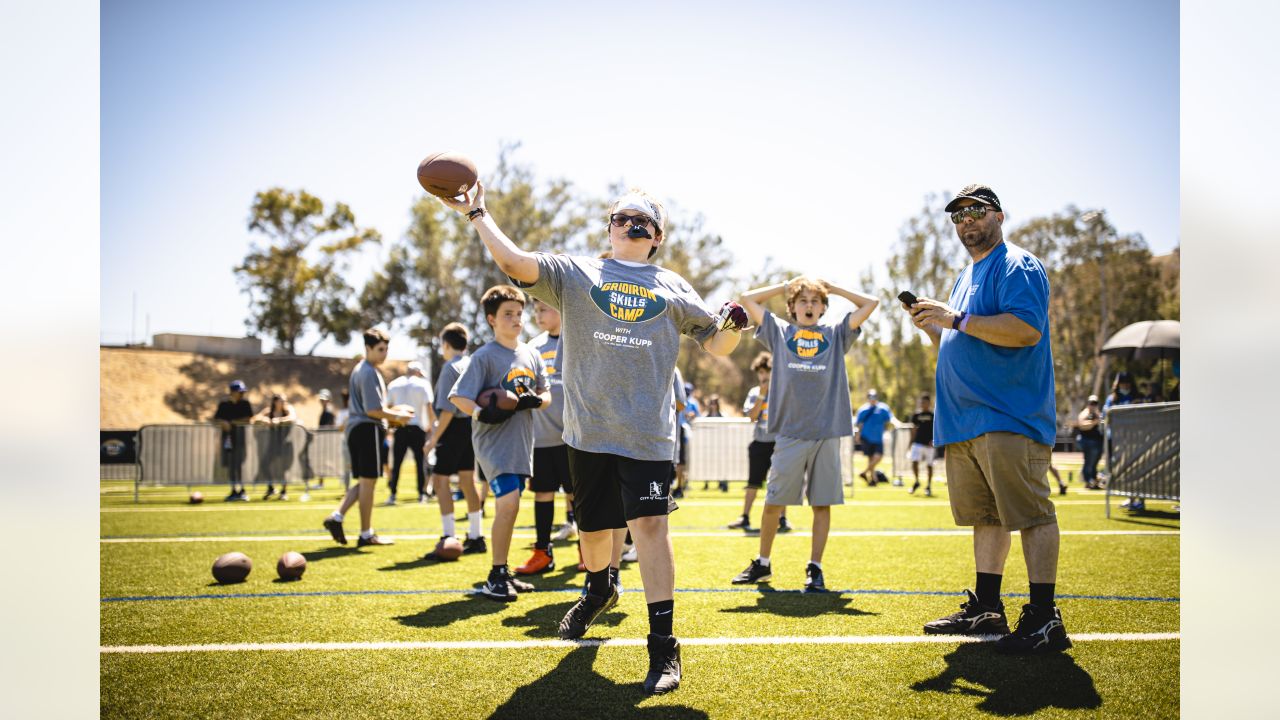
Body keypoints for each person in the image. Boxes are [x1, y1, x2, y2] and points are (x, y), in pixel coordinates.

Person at [442, 184, 746, 695]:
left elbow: (717, 345)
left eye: (644, 221)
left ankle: (663, 642)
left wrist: (735, 326)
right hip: (585, 433)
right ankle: (599, 586)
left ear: (657, 237)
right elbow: (515, 263)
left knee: (649, 528)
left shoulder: (673, 285)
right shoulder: (575, 273)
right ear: (609, 228)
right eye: (623, 217)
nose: (633, 225)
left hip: (648, 435)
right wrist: (477, 212)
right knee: (594, 532)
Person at [905, 183, 1070, 654]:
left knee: (1032, 515)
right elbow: (962, 341)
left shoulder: (1017, 264)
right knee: (987, 517)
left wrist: (954, 319)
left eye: (976, 212)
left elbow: (1024, 329)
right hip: (965, 422)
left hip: (1008, 416)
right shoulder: (966, 275)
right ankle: (987, 607)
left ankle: (1044, 617)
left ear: (998, 215)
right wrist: (937, 327)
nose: (966, 221)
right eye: (958, 216)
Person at [731, 275, 878, 592]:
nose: (809, 306)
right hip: (790, 432)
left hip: (827, 433)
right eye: (802, 301)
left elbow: (871, 304)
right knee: (773, 502)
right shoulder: (780, 332)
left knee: (821, 504)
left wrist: (834, 288)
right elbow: (747, 298)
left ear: (824, 308)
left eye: (815, 301)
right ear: (792, 307)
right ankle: (763, 563)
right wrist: (785, 287)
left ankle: (815, 568)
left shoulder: (837, 334)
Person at [449, 285, 551, 601]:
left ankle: (502, 571)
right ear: (492, 320)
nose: (516, 319)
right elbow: (458, 397)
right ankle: (495, 575)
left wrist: (535, 401)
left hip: (522, 442)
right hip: (494, 444)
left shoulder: (531, 354)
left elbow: (547, 395)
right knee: (508, 504)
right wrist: (483, 411)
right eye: (508, 314)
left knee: (513, 506)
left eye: (519, 314)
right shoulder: (484, 356)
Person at [321, 329, 413, 547]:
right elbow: (373, 410)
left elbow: (375, 407)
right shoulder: (368, 371)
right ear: (368, 348)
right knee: (368, 483)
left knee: (364, 482)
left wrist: (394, 410)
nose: (384, 353)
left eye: (386, 349)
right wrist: (398, 415)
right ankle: (365, 534)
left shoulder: (362, 370)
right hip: (367, 429)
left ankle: (337, 517)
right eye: (380, 349)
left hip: (359, 429)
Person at [517, 298, 575, 576]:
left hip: (574, 437)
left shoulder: (578, 338)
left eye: (544, 309)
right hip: (541, 437)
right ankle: (542, 553)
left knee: (578, 495)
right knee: (542, 493)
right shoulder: (532, 347)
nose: (538, 315)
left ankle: (587, 553)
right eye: (536, 310)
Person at [423, 323, 488, 556]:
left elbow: (448, 410)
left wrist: (432, 440)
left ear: (446, 345)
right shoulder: (472, 363)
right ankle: (476, 536)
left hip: (453, 430)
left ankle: (449, 535)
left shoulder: (450, 367)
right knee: (467, 482)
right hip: (471, 427)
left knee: (440, 482)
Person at [728, 352, 789, 532]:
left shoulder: (783, 390)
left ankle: (782, 518)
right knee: (753, 482)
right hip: (760, 442)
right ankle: (745, 516)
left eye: (767, 372)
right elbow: (752, 417)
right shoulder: (754, 393)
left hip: (779, 443)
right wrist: (762, 395)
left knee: (781, 483)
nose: (764, 376)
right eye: (761, 373)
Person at [384, 361, 437, 505]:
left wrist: (390, 427)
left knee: (397, 462)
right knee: (420, 463)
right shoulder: (423, 384)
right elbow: (429, 407)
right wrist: (431, 426)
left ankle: (393, 494)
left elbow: (387, 407)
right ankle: (421, 493)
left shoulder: (394, 384)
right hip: (417, 428)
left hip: (399, 427)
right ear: (418, 372)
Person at [1105, 372, 1141, 510]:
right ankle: (1130, 497)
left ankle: (1140, 499)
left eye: (1127, 383)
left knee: (1137, 469)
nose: (1125, 386)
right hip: (1118, 441)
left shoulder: (1137, 397)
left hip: (1135, 439)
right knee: (1124, 470)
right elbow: (1105, 415)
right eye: (1122, 383)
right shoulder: (1112, 399)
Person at [214, 380, 254, 501]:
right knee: (231, 465)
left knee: (239, 464)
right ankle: (233, 490)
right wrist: (223, 423)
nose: (241, 394)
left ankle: (242, 490)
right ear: (232, 392)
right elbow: (217, 419)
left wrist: (233, 422)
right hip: (228, 439)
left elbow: (248, 419)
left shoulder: (245, 404)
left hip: (240, 438)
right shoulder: (224, 404)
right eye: (239, 392)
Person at [252, 393, 297, 500]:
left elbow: (292, 418)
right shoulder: (269, 411)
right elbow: (255, 418)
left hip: (285, 444)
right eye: (281, 400)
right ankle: (271, 487)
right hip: (273, 445)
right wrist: (264, 419)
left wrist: (279, 420)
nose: (283, 403)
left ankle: (283, 492)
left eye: (285, 401)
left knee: (282, 469)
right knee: (264, 465)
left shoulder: (288, 410)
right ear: (275, 402)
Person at [855, 389, 896, 486]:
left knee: (878, 457)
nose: (872, 399)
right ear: (868, 398)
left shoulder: (883, 408)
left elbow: (890, 418)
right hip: (866, 437)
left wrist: (898, 424)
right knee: (871, 458)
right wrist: (857, 436)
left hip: (878, 438)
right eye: (870, 397)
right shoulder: (863, 409)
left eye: (874, 397)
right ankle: (873, 480)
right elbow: (858, 423)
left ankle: (864, 472)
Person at [908, 393, 936, 496]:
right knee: (914, 462)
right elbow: (914, 430)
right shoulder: (916, 415)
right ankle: (916, 481)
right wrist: (910, 442)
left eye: (925, 402)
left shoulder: (933, 415)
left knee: (929, 465)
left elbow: (936, 430)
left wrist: (934, 440)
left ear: (929, 403)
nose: (923, 404)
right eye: (922, 402)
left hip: (929, 444)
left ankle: (928, 486)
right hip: (918, 443)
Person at [1076, 395, 1105, 490]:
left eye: (1095, 403)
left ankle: (1094, 480)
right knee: (1089, 462)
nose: (1093, 405)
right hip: (1087, 441)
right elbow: (1082, 425)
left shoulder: (1097, 413)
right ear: (1088, 404)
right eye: (1091, 403)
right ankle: (1088, 481)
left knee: (1094, 463)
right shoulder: (1085, 413)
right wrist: (1094, 422)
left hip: (1097, 441)